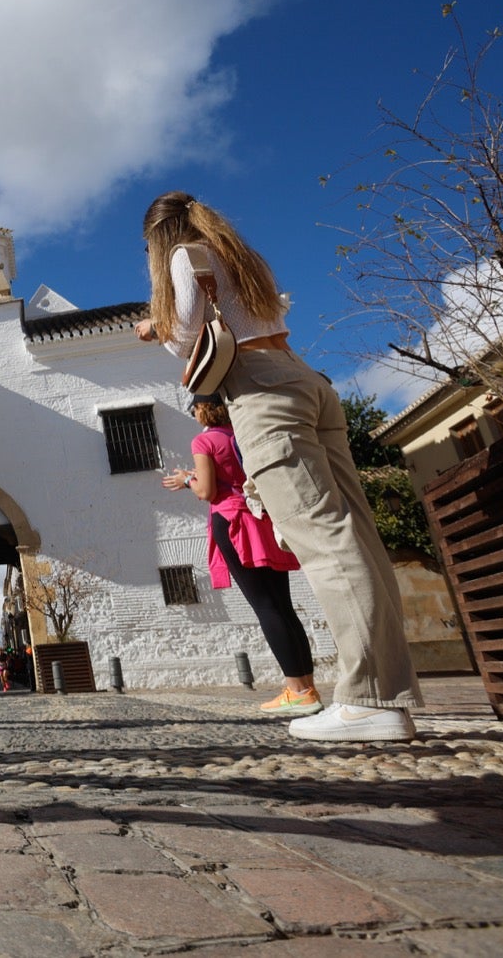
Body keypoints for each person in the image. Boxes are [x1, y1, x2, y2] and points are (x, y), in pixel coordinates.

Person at [136, 190, 421, 741]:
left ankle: (371, 701)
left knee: (322, 537)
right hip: (303, 377)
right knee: (354, 534)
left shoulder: (182, 256)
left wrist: (156, 327)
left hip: (262, 392)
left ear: (157, 236)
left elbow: (188, 336)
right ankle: (386, 693)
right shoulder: (236, 253)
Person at [162, 393, 321, 716]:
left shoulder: (205, 442)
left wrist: (187, 478)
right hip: (261, 518)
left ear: (201, 410)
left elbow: (207, 491)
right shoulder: (243, 435)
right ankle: (306, 686)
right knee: (282, 605)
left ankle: (296, 690)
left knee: (265, 606)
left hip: (232, 521)